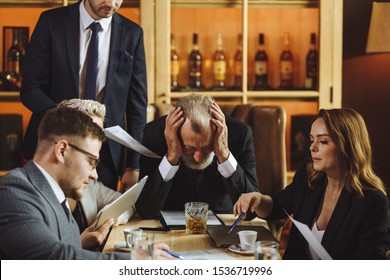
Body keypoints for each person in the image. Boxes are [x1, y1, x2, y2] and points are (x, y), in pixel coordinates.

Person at [0, 107, 172, 260]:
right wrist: (137, 261)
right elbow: (57, 259)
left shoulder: (59, 196)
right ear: (61, 151)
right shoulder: (14, 192)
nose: (95, 175)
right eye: (91, 162)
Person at [20, 0, 147, 192]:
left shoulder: (132, 33)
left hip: (105, 154)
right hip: (52, 147)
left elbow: (137, 107)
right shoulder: (51, 22)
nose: (111, 3)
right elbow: (30, 89)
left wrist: (133, 165)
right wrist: (67, 118)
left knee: (98, 220)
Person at [234, 108, 390, 259]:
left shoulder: (373, 202)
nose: (312, 147)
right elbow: (276, 207)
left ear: (348, 147)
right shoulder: (308, 177)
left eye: (323, 141)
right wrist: (259, 199)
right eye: (311, 139)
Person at [135, 94, 259, 219]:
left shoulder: (241, 134)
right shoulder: (154, 134)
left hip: (223, 222)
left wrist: (224, 154)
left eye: (206, 147)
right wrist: (171, 157)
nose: (198, 158)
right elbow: (145, 211)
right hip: (169, 226)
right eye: (189, 148)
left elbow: (252, 212)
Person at [57, 99, 134, 250]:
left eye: (99, 131)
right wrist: (79, 244)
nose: (99, 138)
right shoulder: (31, 195)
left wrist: (112, 217)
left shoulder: (89, 183)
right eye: (91, 130)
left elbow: (126, 201)